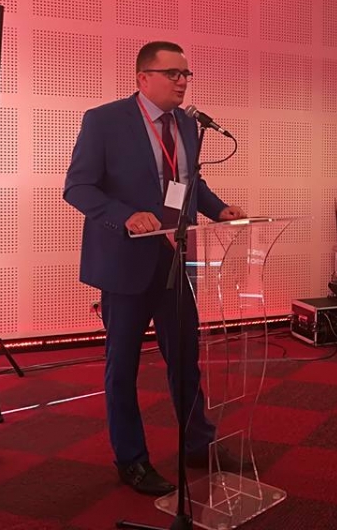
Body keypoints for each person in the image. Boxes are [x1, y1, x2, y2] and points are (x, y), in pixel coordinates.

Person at [64, 41, 245, 495]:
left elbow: (188, 183)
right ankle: (131, 460)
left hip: (175, 260)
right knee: (122, 367)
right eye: (173, 74)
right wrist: (125, 215)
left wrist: (218, 209)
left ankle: (197, 443)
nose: (183, 82)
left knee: (185, 359)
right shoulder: (104, 121)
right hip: (125, 263)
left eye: (186, 74)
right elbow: (78, 187)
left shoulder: (186, 124)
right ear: (143, 78)